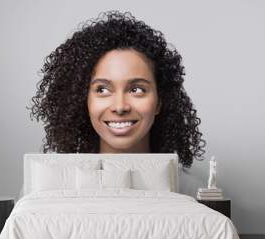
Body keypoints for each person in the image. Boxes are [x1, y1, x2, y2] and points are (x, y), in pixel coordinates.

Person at [28, 10, 206, 169]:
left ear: (159, 101)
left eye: (136, 89)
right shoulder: (47, 190)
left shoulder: (189, 193)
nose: (120, 107)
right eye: (103, 90)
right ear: (84, 100)